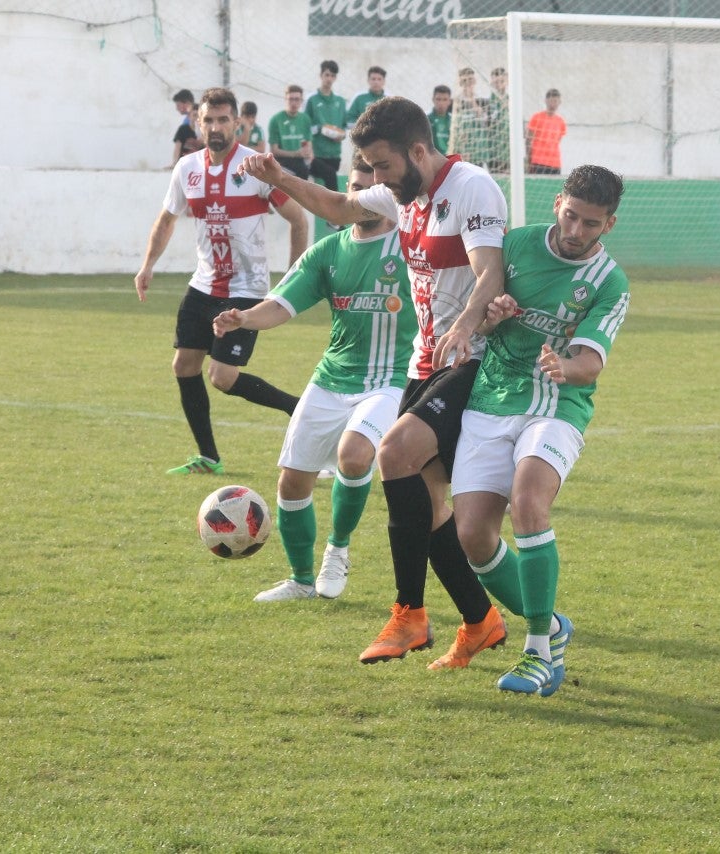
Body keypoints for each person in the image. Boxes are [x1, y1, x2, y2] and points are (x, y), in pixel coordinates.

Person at [239, 96, 510, 670]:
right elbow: (338, 206)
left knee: (392, 452)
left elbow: (492, 270)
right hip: (423, 364)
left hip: (472, 358)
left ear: (418, 150)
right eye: (371, 167)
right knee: (435, 510)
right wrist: (279, 176)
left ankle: (409, 615)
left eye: (383, 166)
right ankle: (480, 620)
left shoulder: (472, 187)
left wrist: (463, 324)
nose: (377, 179)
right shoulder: (401, 193)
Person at [454, 164, 630, 696]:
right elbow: (479, 318)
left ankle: (538, 652)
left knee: (528, 500)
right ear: (558, 202)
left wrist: (564, 367)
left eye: (591, 224)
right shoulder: (515, 246)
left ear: (610, 225)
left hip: (557, 404)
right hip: (491, 396)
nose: (577, 231)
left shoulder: (609, 283)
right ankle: (553, 623)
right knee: (473, 536)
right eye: (571, 216)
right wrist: (494, 315)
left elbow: (590, 363)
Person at [212, 155, 415, 602]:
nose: (360, 199)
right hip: (332, 377)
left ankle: (337, 551)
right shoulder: (328, 251)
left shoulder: (409, 248)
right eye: (354, 189)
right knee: (292, 480)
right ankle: (301, 580)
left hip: (391, 379)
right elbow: (282, 305)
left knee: (356, 455)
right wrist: (242, 317)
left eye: (369, 190)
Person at [134, 87, 309, 476]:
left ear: (238, 124)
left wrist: (294, 277)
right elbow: (166, 221)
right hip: (203, 285)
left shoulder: (257, 167)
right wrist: (147, 266)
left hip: (246, 289)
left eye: (223, 119)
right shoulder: (187, 169)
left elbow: (299, 219)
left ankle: (297, 407)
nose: (216, 127)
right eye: (209, 120)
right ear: (199, 123)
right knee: (184, 365)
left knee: (223, 377)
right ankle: (209, 457)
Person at [305, 60, 346, 192]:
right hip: (316, 154)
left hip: (334, 154)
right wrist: (320, 129)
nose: (329, 78)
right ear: (321, 75)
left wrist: (341, 135)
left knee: (326, 187)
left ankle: (330, 210)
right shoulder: (312, 100)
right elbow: (305, 126)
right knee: (330, 179)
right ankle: (337, 209)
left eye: (332, 76)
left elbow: (344, 127)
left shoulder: (340, 101)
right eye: (327, 75)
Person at [269, 85, 314, 181]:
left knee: (329, 171)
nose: (293, 103)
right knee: (303, 170)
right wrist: (295, 154)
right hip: (283, 159)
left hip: (300, 158)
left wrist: (309, 155)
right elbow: (274, 151)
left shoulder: (305, 119)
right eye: (291, 99)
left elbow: (308, 144)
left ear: (301, 101)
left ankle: (332, 196)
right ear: (285, 99)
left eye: (297, 99)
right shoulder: (276, 120)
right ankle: (300, 196)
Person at [447, 68, 489, 165]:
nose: (468, 83)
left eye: (470, 79)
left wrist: (472, 100)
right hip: (462, 147)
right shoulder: (455, 102)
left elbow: (485, 120)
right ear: (460, 83)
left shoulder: (482, 99)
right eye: (465, 81)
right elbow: (453, 125)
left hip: (477, 148)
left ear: (474, 81)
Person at [526, 89, 567, 175]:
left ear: (560, 102)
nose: (554, 103)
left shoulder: (561, 122)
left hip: (555, 163)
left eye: (556, 101)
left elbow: (557, 141)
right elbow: (528, 140)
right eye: (552, 100)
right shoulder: (536, 117)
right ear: (546, 101)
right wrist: (528, 160)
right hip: (538, 162)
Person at [171, 88, 205, 167]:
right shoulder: (184, 127)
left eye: (178, 105)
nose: (177, 108)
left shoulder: (202, 127)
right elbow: (178, 145)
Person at [487, 67, 511, 173]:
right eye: (496, 82)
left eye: (502, 81)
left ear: (507, 81)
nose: (499, 84)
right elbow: (489, 122)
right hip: (494, 151)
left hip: (509, 150)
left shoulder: (512, 100)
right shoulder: (489, 102)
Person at [428, 84, 452, 154]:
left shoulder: (453, 121)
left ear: (449, 101)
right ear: (433, 100)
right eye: (438, 99)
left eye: (445, 99)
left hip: (450, 159)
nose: (441, 103)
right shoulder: (426, 119)